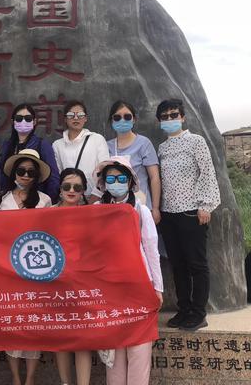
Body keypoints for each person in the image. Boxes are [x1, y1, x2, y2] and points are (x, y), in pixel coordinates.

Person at [94, 156, 163, 385]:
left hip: (138, 284)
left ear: (131, 182)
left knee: (139, 348)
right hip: (108, 287)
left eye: (121, 178)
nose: (116, 182)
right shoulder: (95, 211)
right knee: (114, 350)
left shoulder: (140, 210)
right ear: (103, 182)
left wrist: (157, 287)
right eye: (111, 178)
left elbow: (151, 248)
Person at [156, 99, 220, 331]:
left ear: (182, 117)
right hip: (169, 213)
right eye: (165, 116)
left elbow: (207, 173)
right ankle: (184, 310)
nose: (170, 119)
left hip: (192, 211)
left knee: (197, 264)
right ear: (159, 121)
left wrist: (205, 205)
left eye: (174, 115)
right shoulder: (162, 148)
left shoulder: (196, 141)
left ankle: (198, 312)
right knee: (178, 264)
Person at [0, 149, 52, 385]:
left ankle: (30, 378)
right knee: (14, 325)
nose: (26, 175)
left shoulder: (44, 200)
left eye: (31, 172)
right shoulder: (4, 199)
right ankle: (15, 378)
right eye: (22, 171)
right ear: (14, 173)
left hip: (36, 270)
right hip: (8, 269)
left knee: (33, 326)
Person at [54, 168, 92, 385]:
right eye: (67, 186)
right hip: (55, 285)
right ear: (59, 189)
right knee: (61, 338)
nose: (71, 191)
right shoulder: (46, 212)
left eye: (77, 187)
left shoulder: (91, 214)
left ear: (83, 191)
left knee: (82, 339)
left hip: (82, 284)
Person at [106, 100, 161, 224]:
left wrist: (155, 208)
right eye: (117, 117)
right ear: (112, 121)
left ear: (134, 119)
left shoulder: (144, 143)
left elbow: (154, 177)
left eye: (127, 116)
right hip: (115, 208)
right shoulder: (107, 146)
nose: (122, 120)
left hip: (141, 206)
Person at [0, 103, 60, 203]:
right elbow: (3, 175)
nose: (23, 121)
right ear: (13, 121)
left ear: (34, 121)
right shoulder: (8, 145)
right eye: (19, 118)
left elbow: (53, 178)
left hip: (36, 201)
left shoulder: (42, 145)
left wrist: (47, 202)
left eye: (28, 118)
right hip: (11, 202)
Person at [53, 100, 109, 201]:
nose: (75, 118)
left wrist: (95, 197)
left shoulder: (97, 139)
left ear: (86, 118)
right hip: (68, 197)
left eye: (80, 115)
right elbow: (59, 174)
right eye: (71, 115)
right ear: (65, 119)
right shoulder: (57, 145)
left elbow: (105, 170)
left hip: (94, 197)